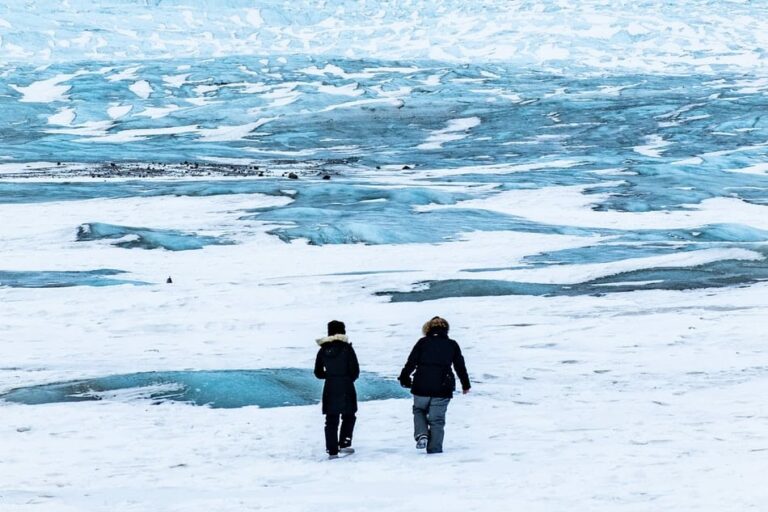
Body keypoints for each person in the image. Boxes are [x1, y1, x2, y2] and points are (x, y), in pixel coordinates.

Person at [398, 316, 471, 454]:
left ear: (427, 328)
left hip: (421, 385)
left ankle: (422, 434)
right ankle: (435, 451)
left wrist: (404, 377)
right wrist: (465, 384)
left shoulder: (422, 342)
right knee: (437, 420)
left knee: (419, 410)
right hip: (443, 386)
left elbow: (411, 362)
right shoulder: (452, 344)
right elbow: (460, 366)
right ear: (446, 329)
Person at [314, 320, 360, 459]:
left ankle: (332, 450)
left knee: (331, 419)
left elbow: (318, 372)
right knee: (349, 414)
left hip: (330, 386)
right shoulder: (347, 348)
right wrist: (346, 378)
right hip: (346, 384)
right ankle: (344, 443)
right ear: (343, 331)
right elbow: (355, 370)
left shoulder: (323, 349)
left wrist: (330, 376)